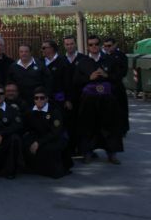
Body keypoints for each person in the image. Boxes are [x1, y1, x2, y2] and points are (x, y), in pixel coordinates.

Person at [73, 35, 123, 165]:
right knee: (87, 126)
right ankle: (87, 153)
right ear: (87, 46)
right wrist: (89, 78)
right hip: (89, 101)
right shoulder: (82, 62)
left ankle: (112, 153)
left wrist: (107, 75)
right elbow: (76, 81)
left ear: (99, 45)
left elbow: (118, 77)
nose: (93, 47)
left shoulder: (109, 60)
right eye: (90, 44)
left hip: (107, 101)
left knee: (110, 126)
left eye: (96, 44)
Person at [23, 88, 71, 179]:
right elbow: (27, 128)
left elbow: (55, 132)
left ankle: (54, 171)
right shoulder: (29, 111)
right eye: (36, 98)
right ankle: (33, 168)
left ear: (46, 99)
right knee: (25, 143)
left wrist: (38, 142)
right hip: (37, 136)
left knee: (49, 149)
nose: (39, 100)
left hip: (55, 137)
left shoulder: (54, 111)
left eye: (42, 98)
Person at [0, 85, 24, 179]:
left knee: (15, 138)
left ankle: (10, 171)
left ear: (4, 95)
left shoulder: (12, 109)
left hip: (5, 141)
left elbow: (18, 125)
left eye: (1, 93)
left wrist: (1, 134)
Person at [102, 37, 129, 135]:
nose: (107, 48)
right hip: (105, 86)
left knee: (120, 108)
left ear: (114, 45)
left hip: (116, 85)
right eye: (105, 46)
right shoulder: (102, 56)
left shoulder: (121, 56)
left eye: (109, 46)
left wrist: (109, 75)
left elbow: (123, 72)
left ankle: (122, 129)